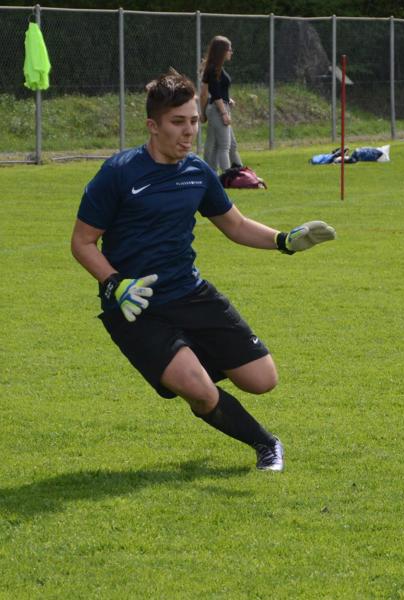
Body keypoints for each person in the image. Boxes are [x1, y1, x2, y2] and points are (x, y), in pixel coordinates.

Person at [71, 69, 337, 472]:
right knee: (200, 390)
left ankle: (186, 362)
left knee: (262, 379)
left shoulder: (197, 172)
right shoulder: (119, 173)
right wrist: (113, 284)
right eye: (178, 122)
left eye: (194, 120)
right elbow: (82, 242)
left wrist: (284, 240)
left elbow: (236, 225)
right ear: (152, 125)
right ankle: (266, 444)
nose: (189, 131)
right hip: (136, 308)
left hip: (191, 294)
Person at [199, 35, 241, 171]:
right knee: (225, 146)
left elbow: (216, 91)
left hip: (219, 107)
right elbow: (215, 95)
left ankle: (236, 170)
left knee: (219, 144)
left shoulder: (216, 68)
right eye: (229, 49)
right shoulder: (213, 69)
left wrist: (228, 100)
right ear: (222, 51)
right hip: (218, 110)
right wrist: (223, 113)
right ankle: (227, 176)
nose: (231, 52)